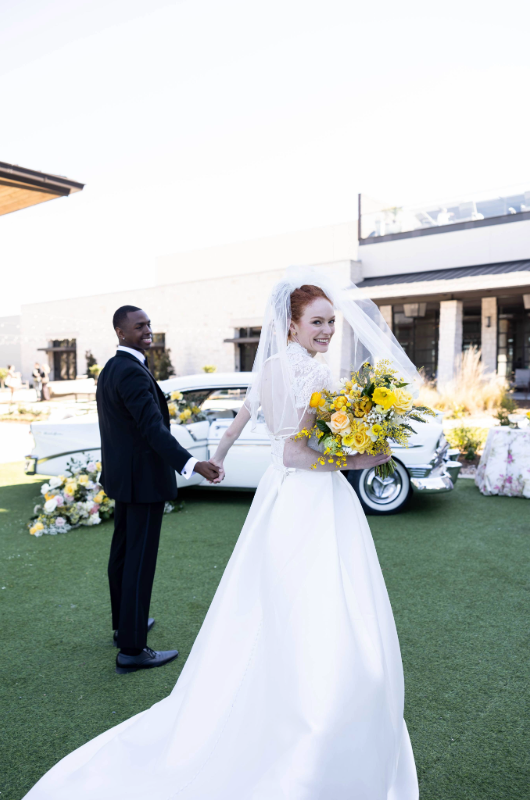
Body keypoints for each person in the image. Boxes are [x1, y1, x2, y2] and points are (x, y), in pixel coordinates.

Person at [24, 272, 420, 799]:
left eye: (331, 322)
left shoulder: (272, 371)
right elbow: (295, 454)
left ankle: (272, 691)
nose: (326, 331)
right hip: (309, 498)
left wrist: (217, 456)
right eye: (317, 322)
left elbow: (239, 422)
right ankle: (314, 705)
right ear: (292, 325)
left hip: (278, 501)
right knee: (319, 600)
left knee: (271, 596)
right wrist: (364, 456)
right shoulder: (319, 379)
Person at [96, 305, 220, 674]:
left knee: (122, 556)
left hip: (125, 479)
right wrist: (192, 464)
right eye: (139, 326)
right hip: (143, 482)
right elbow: (153, 430)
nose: (147, 330)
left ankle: (125, 627)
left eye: (149, 324)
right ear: (121, 332)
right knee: (138, 563)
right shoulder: (131, 372)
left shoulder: (113, 368)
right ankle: (133, 649)